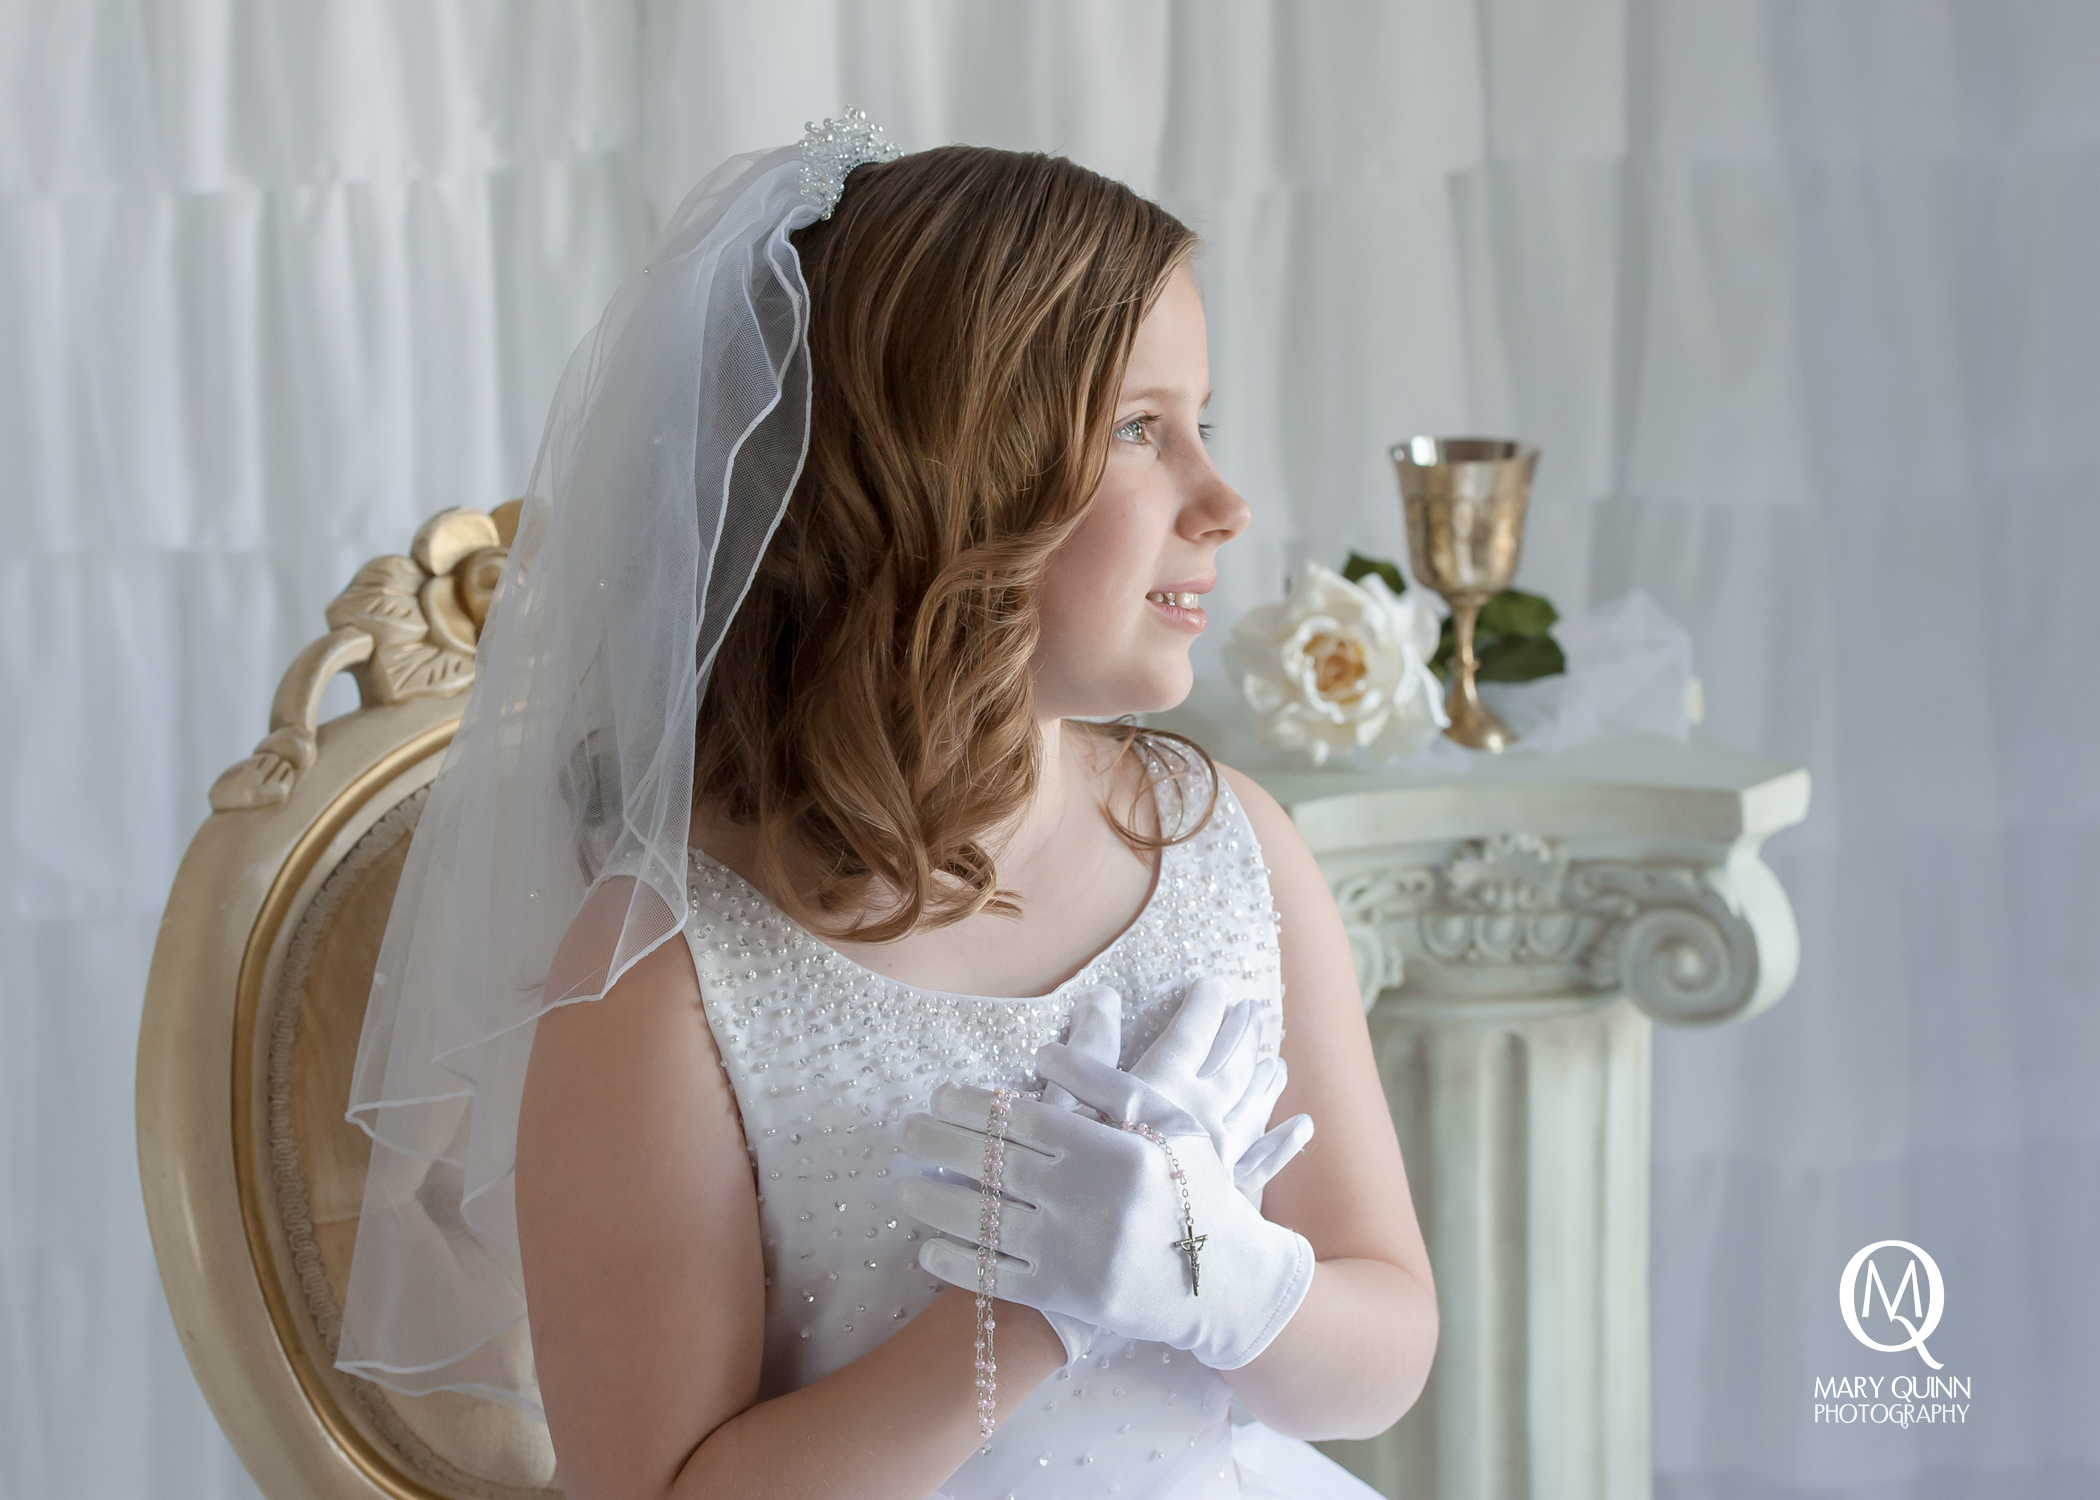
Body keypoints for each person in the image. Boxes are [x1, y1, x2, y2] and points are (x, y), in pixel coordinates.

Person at [339, 115, 1434, 1500]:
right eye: (1141, 430)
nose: (1224, 500)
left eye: (1201, 424)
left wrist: (1203, 1267)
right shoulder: (672, 972)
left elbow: (1389, 1349)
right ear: (946, 486)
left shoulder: (1231, 849)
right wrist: (1031, 1316)